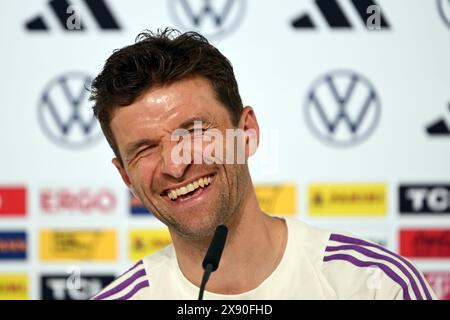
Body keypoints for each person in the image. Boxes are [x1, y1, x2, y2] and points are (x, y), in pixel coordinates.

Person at [89, 28, 436, 300]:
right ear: (125, 175)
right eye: (145, 149)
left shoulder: (376, 287)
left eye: (193, 132)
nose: (175, 166)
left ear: (247, 132)